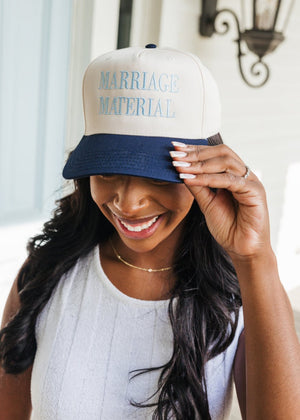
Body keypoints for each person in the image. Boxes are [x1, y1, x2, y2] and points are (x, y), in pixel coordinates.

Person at [0, 45, 299, 420]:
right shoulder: (44, 275)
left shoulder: (239, 291)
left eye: (158, 173)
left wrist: (256, 259)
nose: (129, 201)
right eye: (107, 169)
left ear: (208, 170)